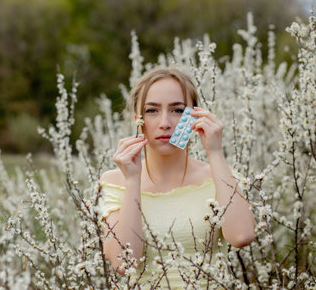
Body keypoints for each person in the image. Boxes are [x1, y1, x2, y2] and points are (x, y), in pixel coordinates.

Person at [99, 67, 256, 288]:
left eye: (177, 110)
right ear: (138, 120)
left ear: (195, 116)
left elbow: (241, 235)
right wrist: (133, 181)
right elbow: (125, 263)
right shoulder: (115, 182)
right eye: (152, 111)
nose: (165, 122)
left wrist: (216, 153)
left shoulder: (219, 175)